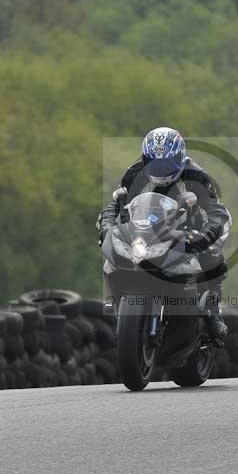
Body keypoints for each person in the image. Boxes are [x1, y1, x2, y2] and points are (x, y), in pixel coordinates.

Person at [97, 127, 231, 340]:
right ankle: (118, 306)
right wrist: (107, 227)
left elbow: (217, 213)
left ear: (179, 157)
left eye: (167, 164)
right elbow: (115, 205)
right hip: (149, 230)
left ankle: (212, 312)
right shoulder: (134, 173)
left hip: (190, 225)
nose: (161, 169)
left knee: (212, 253)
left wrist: (204, 236)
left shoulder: (197, 176)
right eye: (155, 163)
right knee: (112, 259)